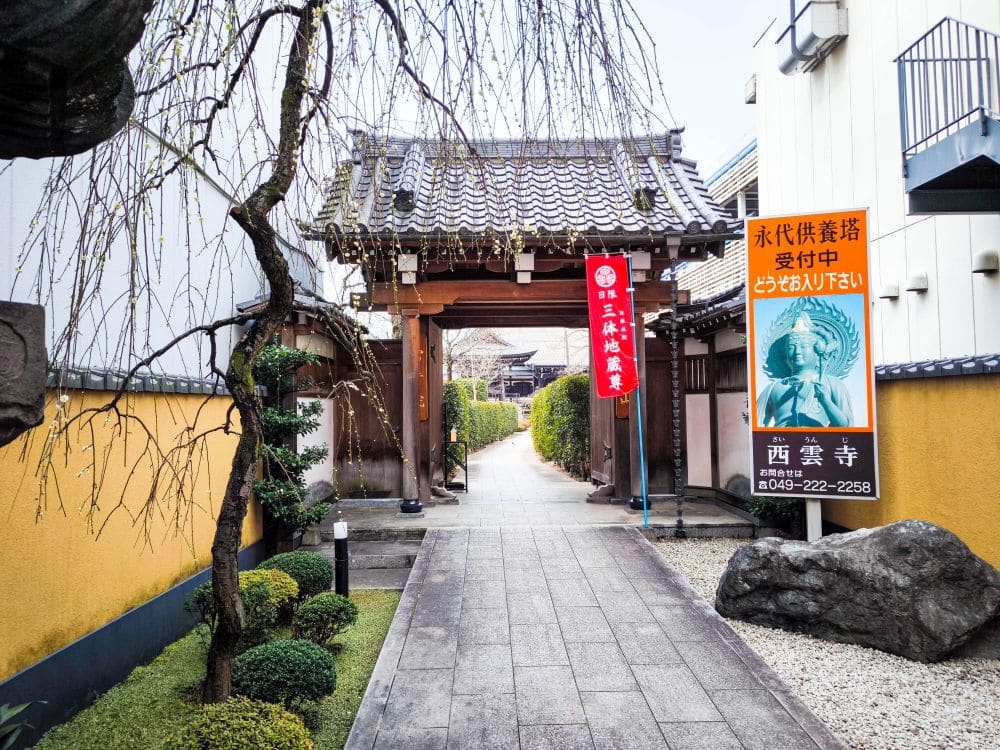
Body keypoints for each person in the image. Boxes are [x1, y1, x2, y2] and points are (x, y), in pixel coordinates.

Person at [756, 314, 853, 428]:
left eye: (803, 346)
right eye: (791, 347)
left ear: (817, 351)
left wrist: (825, 401)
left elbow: (847, 427)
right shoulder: (773, 388)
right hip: (783, 442)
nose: (797, 351)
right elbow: (756, 428)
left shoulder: (832, 384)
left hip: (815, 443)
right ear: (785, 355)